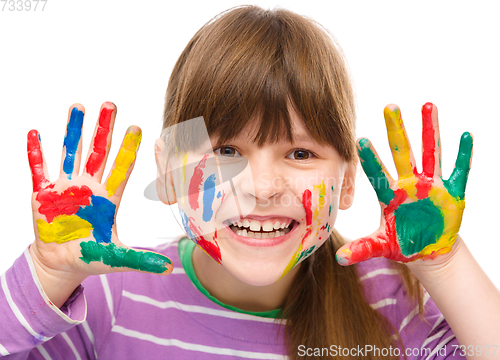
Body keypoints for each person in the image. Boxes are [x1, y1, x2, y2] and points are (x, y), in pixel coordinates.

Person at [0, 4, 499, 360]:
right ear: (169, 173)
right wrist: (50, 274)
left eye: (300, 152)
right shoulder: (111, 299)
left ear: (348, 182)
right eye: (226, 151)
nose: (262, 186)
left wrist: (444, 263)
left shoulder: (392, 304)